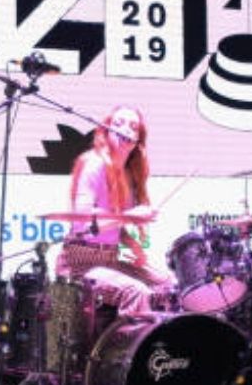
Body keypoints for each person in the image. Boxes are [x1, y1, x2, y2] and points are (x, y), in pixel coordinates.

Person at [55, 105, 171, 315]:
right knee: (136, 292)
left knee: (166, 283)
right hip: (80, 263)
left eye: (133, 127)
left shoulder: (128, 174)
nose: (126, 129)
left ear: (138, 139)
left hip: (110, 258)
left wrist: (134, 246)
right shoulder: (94, 163)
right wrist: (129, 216)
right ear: (106, 131)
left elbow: (114, 227)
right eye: (118, 123)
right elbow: (83, 225)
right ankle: (127, 338)